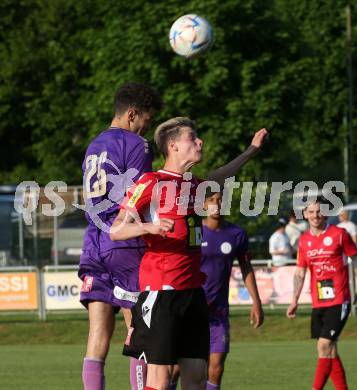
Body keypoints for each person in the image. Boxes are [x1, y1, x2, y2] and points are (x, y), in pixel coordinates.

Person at [110, 117, 268, 390]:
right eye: (192, 138)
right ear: (173, 146)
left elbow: (220, 174)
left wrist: (251, 150)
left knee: (196, 375)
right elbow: (115, 230)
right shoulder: (151, 182)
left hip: (194, 293)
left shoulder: (195, 187)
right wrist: (149, 226)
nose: (200, 142)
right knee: (159, 378)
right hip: (162, 291)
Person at [78, 82, 162, 390]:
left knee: (97, 336)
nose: (145, 128)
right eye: (146, 121)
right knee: (136, 330)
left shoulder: (94, 145)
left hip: (93, 240)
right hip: (124, 239)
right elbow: (142, 193)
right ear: (132, 114)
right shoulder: (136, 145)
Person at [170, 190, 264, 390]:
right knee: (177, 367)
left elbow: (246, 267)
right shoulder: (193, 232)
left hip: (218, 314)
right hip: (190, 310)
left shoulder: (236, 234)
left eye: (221, 200)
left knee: (216, 365)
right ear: (203, 205)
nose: (216, 204)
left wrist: (256, 302)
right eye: (211, 200)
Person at [287, 199, 357, 390]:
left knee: (323, 347)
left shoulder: (340, 234)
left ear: (325, 213)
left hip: (340, 299)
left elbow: (355, 259)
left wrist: (356, 286)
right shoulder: (303, 241)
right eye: (311, 212)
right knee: (330, 350)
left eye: (319, 211)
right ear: (305, 215)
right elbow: (300, 272)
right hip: (319, 302)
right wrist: (294, 300)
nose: (315, 215)